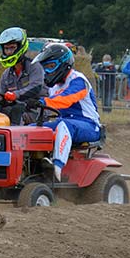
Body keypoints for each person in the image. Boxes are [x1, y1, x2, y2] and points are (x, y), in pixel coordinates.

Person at [32, 43, 102, 182]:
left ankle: (56, 167)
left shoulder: (78, 81)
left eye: (50, 67)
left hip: (89, 125)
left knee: (64, 125)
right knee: (31, 130)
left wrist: (44, 102)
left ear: (64, 64)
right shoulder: (55, 86)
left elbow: (66, 99)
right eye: (44, 67)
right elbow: (41, 97)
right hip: (64, 123)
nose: (46, 71)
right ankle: (30, 168)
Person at [0, 27, 44, 125]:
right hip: (15, 108)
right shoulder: (7, 74)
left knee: (17, 110)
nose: (8, 52)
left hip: (35, 110)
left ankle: (13, 138)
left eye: (12, 48)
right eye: (6, 48)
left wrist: (15, 95)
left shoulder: (34, 66)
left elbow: (36, 87)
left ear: (21, 47)